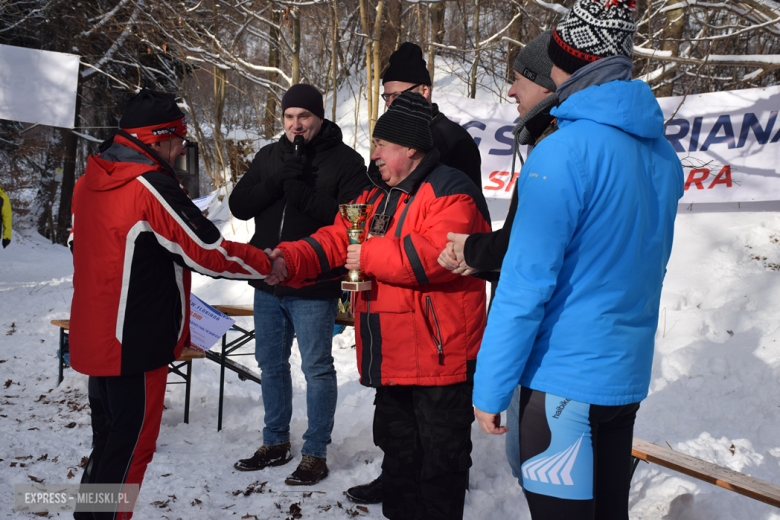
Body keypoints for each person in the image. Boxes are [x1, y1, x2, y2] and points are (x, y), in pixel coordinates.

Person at [472, 0, 684, 518]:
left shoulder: (563, 151)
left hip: (563, 385)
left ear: (564, 60)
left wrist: (491, 384)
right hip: (622, 379)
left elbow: (525, 284)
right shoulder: (661, 154)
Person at [264, 92, 490, 519]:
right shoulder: (375, 195)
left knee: (440, 471)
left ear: (410, 148)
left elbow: (434, 257)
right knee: (400, 464)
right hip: (393, 359)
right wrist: (290, 259)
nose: (375, 155)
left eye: (382, 146)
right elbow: (337, 238)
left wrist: (364, 254)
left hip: (440, 363)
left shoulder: (451, 190)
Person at [69, 89, 273, 520]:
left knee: (109, 443)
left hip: (96, 334)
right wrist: (266, 263)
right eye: (176, 137)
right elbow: (206, 249)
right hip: (134, 341)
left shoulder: (89, 180)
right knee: (129, 452)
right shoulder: (149, 184)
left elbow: (79, 243)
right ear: (155, 139)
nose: (182, 146)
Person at [346, 41, 485, 505]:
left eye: (398, 94)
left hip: (440, 327)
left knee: (439, 454)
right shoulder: (391, 162)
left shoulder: (450, 155)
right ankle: (399, 486)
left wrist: (364, 251)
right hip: (397, 332)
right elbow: (364, 216)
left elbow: (443, 250)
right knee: (400, 437)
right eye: (385, 97)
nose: (391, 102)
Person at [437, 30, 558, 485]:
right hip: (603, 361)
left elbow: (527, 260)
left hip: (558, 357)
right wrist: (481, 257)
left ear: (549, 82)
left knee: (532, 468)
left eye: (518, 79)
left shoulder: (557, 153)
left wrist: (470, 249)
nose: (510, 91)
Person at [230, 84, 366, 485]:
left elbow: (350, 223)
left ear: (319, 118)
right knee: (271, 365)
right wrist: (275, 182)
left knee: (317, 368)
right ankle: (274, 441)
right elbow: (240, 204)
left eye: (304, 117)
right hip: (267, 280)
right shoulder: (270, 155)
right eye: (289, 117)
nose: (296, 125)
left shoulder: (345, 162)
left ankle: (315, 452)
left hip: (314, 283)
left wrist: (301, 192)